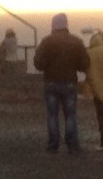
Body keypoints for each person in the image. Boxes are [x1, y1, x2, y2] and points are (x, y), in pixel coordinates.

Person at [33, 14, 90, 154]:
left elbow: (38, 63)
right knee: (70, 114)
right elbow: (85, 64)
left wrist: (48, 65)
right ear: (66, 25)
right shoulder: (76, 42)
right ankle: (72, 145)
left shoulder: (47, 42)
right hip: (69, 82)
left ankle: (53, 144)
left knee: (52, 114)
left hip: (51, 82)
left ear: (53, 25)